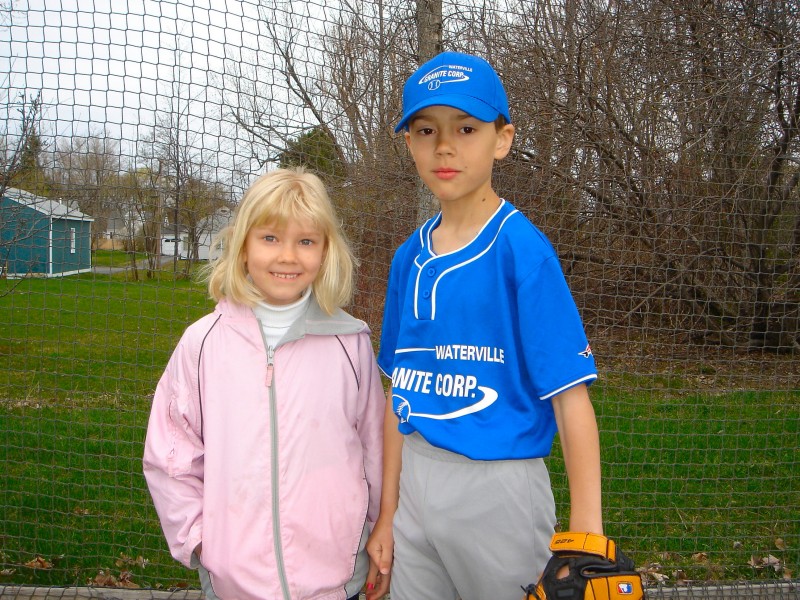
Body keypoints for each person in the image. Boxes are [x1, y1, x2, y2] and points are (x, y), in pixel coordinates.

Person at [365, 51, 603, 600]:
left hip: (499, 487)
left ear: (502, 139)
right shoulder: (408, 257)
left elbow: (571, 398)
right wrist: (387, 514)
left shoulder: (522, 249)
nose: (444, 146)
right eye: (426, 130)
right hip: (416, 482)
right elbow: (398, 393)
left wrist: (586, 535)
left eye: (466, 128)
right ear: (409, 144)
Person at [143, 167, 386, 600]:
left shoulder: (351, 343)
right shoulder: (202, 344)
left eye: (305, 241)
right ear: (242, 246)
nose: (287, 256)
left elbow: (375, 450)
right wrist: (200, 542)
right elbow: (171, 455)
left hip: (337, 580)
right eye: (270, 238)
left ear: (326, 251)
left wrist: (383, 534)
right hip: (233, 581)